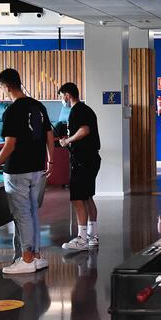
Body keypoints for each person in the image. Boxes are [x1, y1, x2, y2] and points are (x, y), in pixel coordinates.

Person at [0, 68, 55, 274]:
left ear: (7, 87)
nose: (2, 92)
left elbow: (10, 145)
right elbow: (49, 136)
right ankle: (35, 256)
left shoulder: (11, 111)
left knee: (22, 214)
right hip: (37, 168)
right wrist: (51, 161)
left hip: (17, 169)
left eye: (1, 88)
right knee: (32, 212)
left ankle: (27, 258)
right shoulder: (38, 106)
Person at [57, 82, 101, 251]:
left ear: (68, 94)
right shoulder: (85, 109)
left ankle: (82, 239)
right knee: (87, 196)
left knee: (77, 198)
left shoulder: (77, 110)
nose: (62, 100)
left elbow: (84, 130)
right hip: (90, 158)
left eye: (62, 96)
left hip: (83, 160)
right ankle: (93, 235)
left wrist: (67, 140)